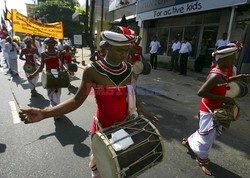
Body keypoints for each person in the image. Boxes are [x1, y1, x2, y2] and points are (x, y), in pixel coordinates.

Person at [19, 26, 158, 178]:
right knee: (101, 169)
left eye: (127, 50)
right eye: (120, 50)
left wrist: (142, 109)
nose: (124, 55)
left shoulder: (129, 69)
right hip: (102, 128)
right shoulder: (92, 70)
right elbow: (76, 100)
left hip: (125, 126)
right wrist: (45, 113)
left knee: (122, 168)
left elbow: (132, 92)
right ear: (106, 47)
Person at [182, 42, 250, 176]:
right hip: (208, 109)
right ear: (223, 60)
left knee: (205, 132)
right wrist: (224, 99)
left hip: (214, 107)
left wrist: (238, 77)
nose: (234, 62)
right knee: (206, 138)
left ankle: (189, 141)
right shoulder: (215, 75)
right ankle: (202, 159)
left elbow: (225, 80)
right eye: (232, 59)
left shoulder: (221, 73)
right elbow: (200, 92)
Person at [27, 37, 64, 117]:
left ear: (54, 44)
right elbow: (41, 67)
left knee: (57, 93)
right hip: (48, 77)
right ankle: (55, 109)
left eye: (53, 43)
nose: (51, 44)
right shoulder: (43, 54)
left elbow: (61, 65)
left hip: (58, 76)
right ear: (46, 44)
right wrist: (33, 75)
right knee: (50, 94)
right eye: (49, 43)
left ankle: (56, 111)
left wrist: (66, 72)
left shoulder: (59, 53)